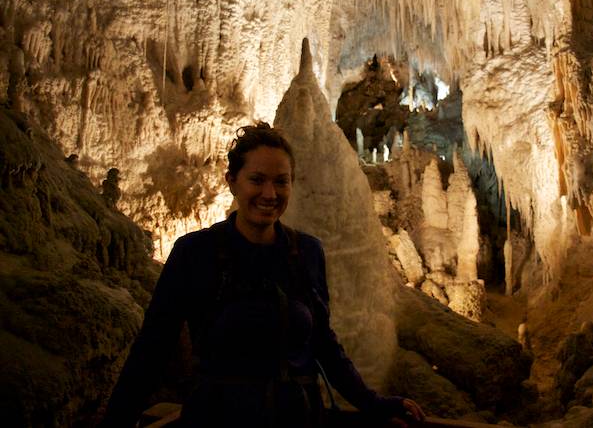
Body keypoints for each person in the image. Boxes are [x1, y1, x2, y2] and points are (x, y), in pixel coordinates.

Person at [101, 123, 425, 427]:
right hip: (217, 418)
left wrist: (374, 404)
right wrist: (116, 421)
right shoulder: (195, 253)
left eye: (281, 181)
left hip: (294, 416)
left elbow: (324, 345)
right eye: (257, 180)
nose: (270, 194)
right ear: (232, 181)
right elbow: (152, 349)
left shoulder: (306, 252)